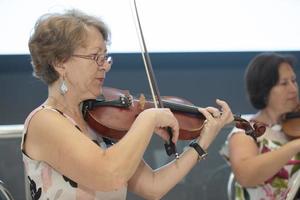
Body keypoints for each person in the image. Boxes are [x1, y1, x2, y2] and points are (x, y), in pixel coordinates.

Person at [21, 9, 233, 200]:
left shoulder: (97, 123)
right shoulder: (44, 121)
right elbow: (108, 174)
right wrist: (148, 119)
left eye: (105, 57)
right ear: (60, 63)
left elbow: (153, 186)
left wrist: (202, 142)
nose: (104, 66)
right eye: (95, 57)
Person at [220, 52, 300, 199]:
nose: (294, 89)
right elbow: (246, 175)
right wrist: (295, 146)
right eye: (284, 83)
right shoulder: (245, 130)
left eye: (294, 81)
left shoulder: (295, 122)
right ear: (264, 90)